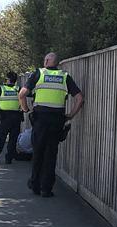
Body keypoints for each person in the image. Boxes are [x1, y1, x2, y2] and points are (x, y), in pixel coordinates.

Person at [19, 52, 84, 197]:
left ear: (48, 60)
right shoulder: (65, 77)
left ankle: (35, 185)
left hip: (40, 120)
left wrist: (25, 109)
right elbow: (79, 98)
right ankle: (46, 189)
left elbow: (22, 94)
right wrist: (71, 115)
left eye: (44, 59)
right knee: (51, 154)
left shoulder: (38, 74)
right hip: (57, 120)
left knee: (38, 152)